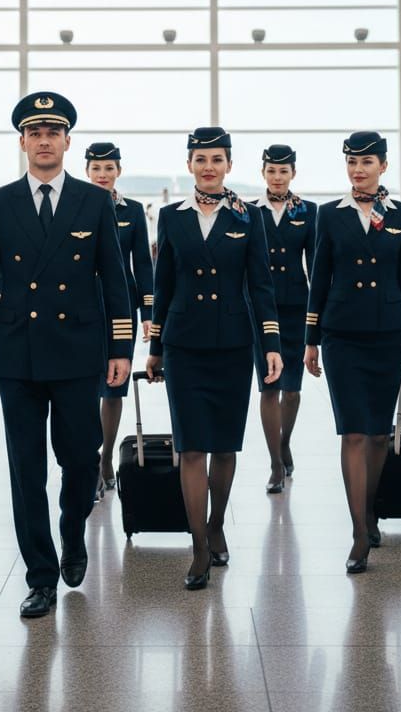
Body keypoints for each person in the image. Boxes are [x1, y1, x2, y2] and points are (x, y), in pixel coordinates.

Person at [0, 91, 133, 619]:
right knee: (25, 468)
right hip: (17, 354)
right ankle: (40, 575)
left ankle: (72, 532)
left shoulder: (94, 200)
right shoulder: (0, 202)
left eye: (52, 133)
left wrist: (121, 347)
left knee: (81, 458)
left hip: (79, 350)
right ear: (22, 143)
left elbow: (115, 278)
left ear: (65, 142)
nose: (43, 141)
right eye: (34, 133)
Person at [145, 126, 282, 591]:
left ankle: (217, 521)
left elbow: (262, 285)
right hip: (183, 345)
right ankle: (199, 544)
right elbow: (163, 285)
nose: (208, 167)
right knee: (191, 447)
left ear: (228, 165)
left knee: (224, 446)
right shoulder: (171, 215)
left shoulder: (249, 216)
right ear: (189, 165)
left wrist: (271, 345)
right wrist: (155, 348)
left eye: (216, 159)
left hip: (232, 344)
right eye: (200, 159)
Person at [302, 132, 401, 574]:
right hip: (342, 336)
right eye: (352, 162)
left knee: (377, 435)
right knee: (353, 432)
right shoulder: (329, 215)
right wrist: (311, 339)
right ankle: (358, 531)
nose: (358, 169)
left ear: (383, 166)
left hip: (388, 333)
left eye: (367, 161)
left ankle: (370, 510)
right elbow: (319, 277)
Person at [83, 142, 153, 494]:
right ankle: (88, 459)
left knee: (114, 386)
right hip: (80, 307)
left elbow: (142, 263)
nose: (102, 175)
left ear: (118, 172)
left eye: (109, 168)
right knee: (83, 385)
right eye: (96, 169)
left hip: (121, 308)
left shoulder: (133, 211)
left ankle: (106, 455)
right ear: (86, 172)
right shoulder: (75, 206)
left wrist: (148, 313)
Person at [251, 144, 316, 493]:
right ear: (263, 173)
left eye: (284, 171)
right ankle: (275, 462)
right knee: (268, 386)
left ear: (293, 173)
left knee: (291, 390)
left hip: (295, 308)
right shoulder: (247, 211)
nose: (277, 177)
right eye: (271, 171)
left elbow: (316, 267)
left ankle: (284, 441)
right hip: (260, 311)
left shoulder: (308, 211)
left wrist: (316, 318)